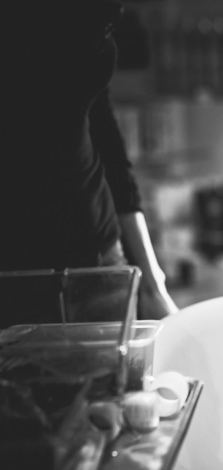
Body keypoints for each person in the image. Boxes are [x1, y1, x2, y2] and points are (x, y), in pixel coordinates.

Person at [3, 0, 177, 320]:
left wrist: (152, 280)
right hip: (16, 276)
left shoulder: (88, 13)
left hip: (100, 259)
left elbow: (102, 132)